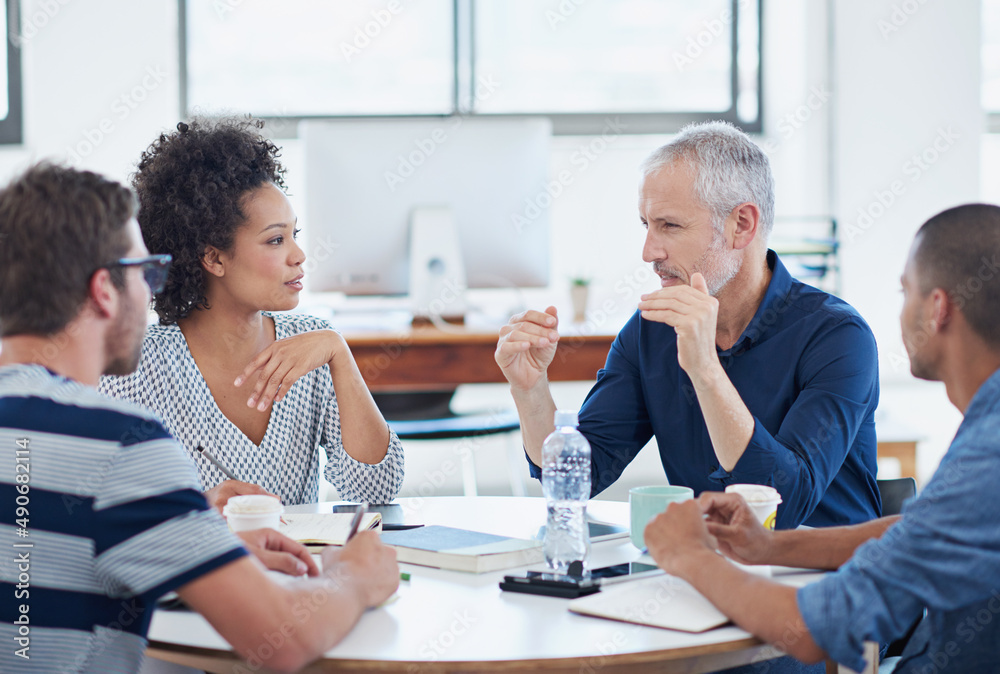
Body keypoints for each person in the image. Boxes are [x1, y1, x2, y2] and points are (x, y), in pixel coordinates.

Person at [0, 163, 399, 673]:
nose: (152, 293)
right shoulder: (117, 444)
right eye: (146, 273)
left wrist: (183, 529)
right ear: (104, 290)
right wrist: (355, 578)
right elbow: (284, 639)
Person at [644, 203, 1000, 673]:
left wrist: (688, 555)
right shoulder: (986, 431)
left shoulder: (988, 456)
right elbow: (922, 530)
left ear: (937, 309)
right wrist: (769, 546)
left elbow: (816, 628)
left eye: (904, 291)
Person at [496, 121, 880, 529]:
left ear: (741, 225)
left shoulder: (838, 337)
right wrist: (530, 390)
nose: (648, 252)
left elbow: (781, 511)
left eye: (670, 226)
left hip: (826, 564)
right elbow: (580, 477)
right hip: (711, 561)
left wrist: (705, 369)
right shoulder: (651, 331)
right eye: (646, 225)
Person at [100, 117, 404, 509]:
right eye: (276, 240)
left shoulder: (314, 346)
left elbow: (376, 492)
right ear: (214, 258)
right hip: (199, 552)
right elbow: (100, 514)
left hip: (299, 553)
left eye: (294, 235)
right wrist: (198, 508)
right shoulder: (137, 366)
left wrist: (339, 352)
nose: (299, 255)